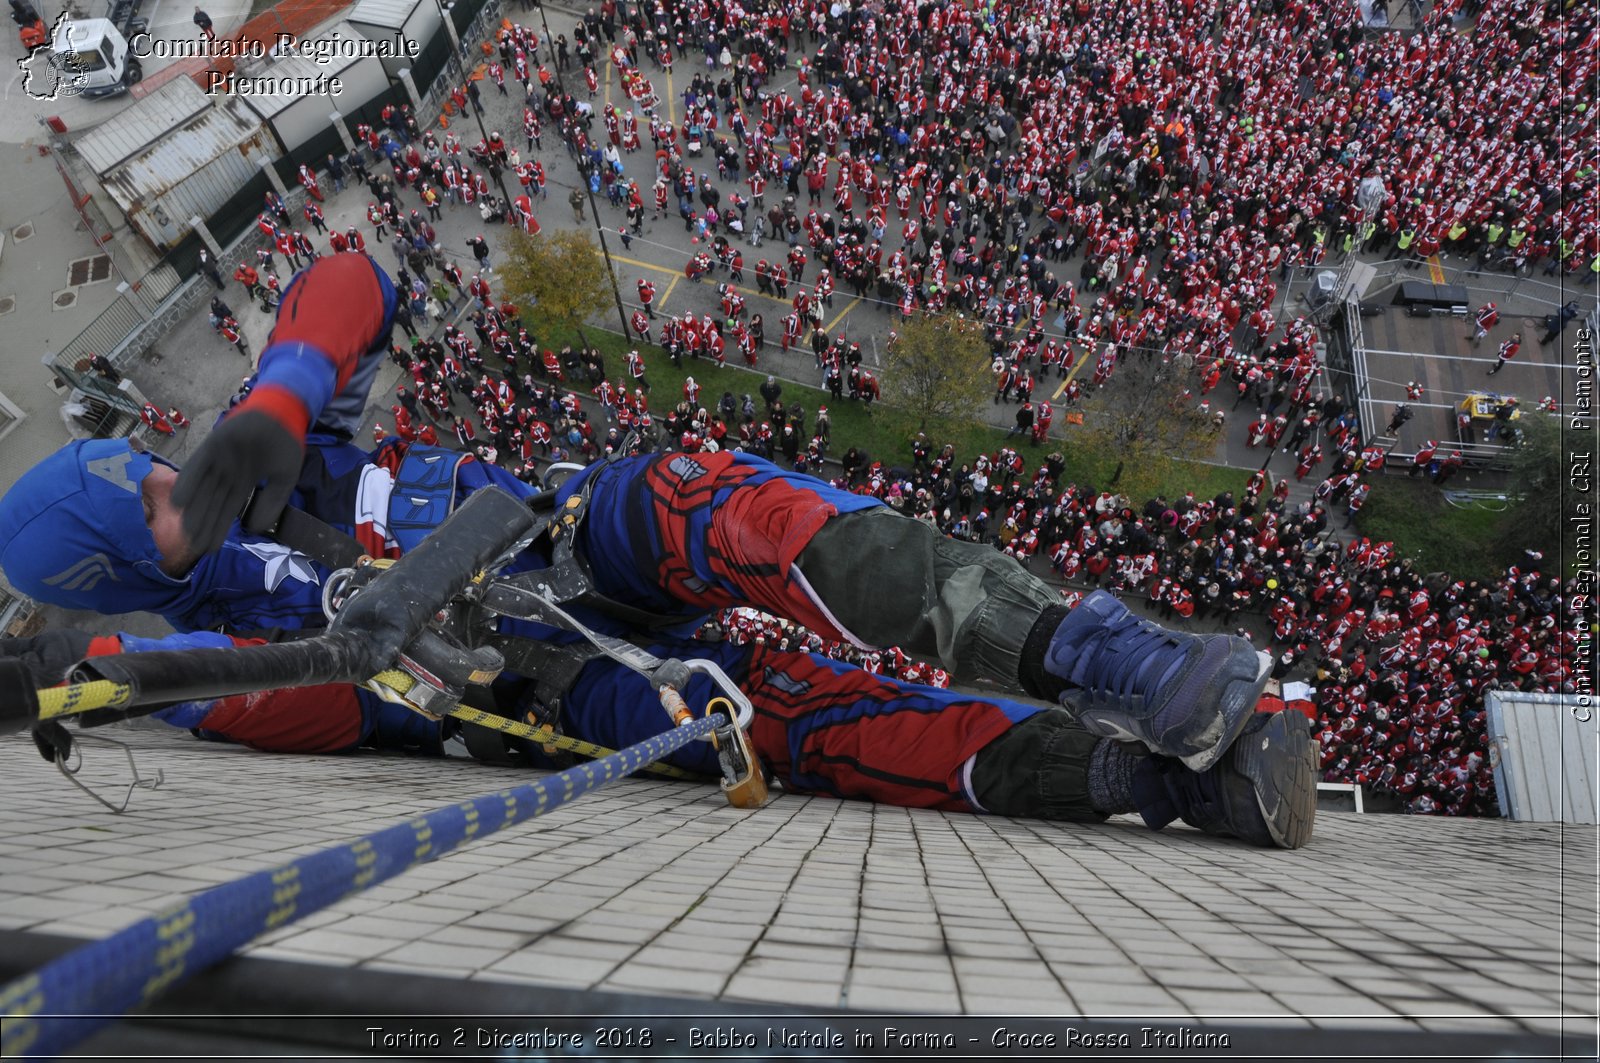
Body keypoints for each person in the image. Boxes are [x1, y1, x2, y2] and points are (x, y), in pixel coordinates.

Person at [0, 257, 1315, 850]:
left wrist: (281, 395)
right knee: (803, 722)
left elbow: (353, 283)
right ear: (130, 566)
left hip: (570, 531)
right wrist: (96, 664)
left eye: (161, 467)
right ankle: (1158, 783)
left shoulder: (266, 455)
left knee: (724, 506)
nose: (179, 485)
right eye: (150, 505)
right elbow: (231, 689)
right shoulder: (216, 656)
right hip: (555, 688)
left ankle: (1131, 661)